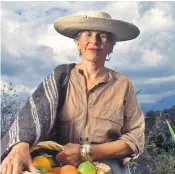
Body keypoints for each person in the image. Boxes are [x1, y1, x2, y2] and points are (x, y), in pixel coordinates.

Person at [0, 11, 145, 174]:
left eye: (102, 36)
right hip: (63, 167)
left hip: (109, 168)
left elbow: (135, 139)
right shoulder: (60, 77)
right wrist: (20, 144)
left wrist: (86, 151)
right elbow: (32, 117)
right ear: (77, 42)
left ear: (111, 46)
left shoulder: (123, 85)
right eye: (88, 34)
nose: (94, 41)